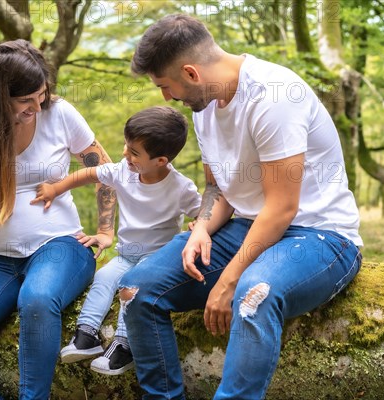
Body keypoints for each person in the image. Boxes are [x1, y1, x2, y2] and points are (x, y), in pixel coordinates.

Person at [119, 14, 364, 400]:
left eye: (166, 87)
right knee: (136, 288)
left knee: (252, 294)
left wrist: (229, 280)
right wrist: (200, 227)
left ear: (191, 73)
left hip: (321, 237)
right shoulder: (204, 108)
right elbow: (218, 189)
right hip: (250, 227)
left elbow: (283, 208)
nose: (168, 98)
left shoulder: (274, 95)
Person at [0, 39, 116, 400]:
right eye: (25, 101)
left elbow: (105, 170)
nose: (38, 106)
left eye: (41, 95)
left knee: (37, 297)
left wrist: (106, 230)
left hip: (60, 246)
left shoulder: (60, 113)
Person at [32, 106, 201, 376]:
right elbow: (91, 174)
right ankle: (86, 335)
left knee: (131, 290)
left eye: (134, 152)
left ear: (161, 160)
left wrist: (200, 224)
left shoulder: (181, 188)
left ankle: (124, 345)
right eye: (126, 146)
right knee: (103, 279)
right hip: (126, 255)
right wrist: (56, 188)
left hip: (155, 261)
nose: (125, 154)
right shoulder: (124, 170)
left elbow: (204, 214)